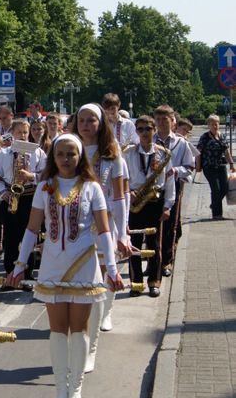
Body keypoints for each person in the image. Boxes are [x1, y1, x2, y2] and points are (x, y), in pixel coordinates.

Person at [7, 134, 123, 398]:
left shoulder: (92, 188)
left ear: (80, 156)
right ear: (53, 157)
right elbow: (32, 228)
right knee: (58, 330)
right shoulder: (45, 187)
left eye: (71, 154)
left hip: (83, 263)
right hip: (52, 265)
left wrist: (111, 267)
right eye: (60, 154)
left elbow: (104, 230)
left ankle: (76, 389)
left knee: (79, 329)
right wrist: (20, 264)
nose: (66, 159)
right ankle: (61, 389)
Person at [74, 103, 130, 369]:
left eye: (91, 120)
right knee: (83, 288)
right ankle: (82, 341)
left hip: (105, 224)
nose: (86, 125)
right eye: (81, 120)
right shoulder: (69, 150)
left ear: (100, 124)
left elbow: (120, 197)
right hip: (76, 227)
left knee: (103, 281)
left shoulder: (112, 154)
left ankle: (92, 345)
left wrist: (124, 231)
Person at [0, 119, 46, 286]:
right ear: (12, 133)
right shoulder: (4, 153)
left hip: (30, 196)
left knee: (29, 235)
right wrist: (3, 193)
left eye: (25, 132)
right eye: (19, 132)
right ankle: (10, 274)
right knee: (11, 236)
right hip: (10, 196)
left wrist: (32, 177)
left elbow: (46, 174)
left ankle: (27, 274)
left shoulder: (38, 152)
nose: (22, 135)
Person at [123, 117, 175, 298]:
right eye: (141, 129)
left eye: (148, 129)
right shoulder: (128, 153)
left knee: (155, 244)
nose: (144, 133)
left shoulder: (163, 153)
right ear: (136, 132)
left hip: (155, 203)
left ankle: (154, 281)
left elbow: (169, 182)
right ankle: (136, 284)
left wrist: (168, 206)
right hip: (134, 201)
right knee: (134, 245)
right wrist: (127, 192)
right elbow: (121, 178)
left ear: (154, 130)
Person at [153, 105, 195, 274]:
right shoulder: (150, 140)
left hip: (173, 185)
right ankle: (154, 260)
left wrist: (176, 170)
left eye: (165, 120)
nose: (162, 123)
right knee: (153, 224)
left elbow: (190, 166)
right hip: (153, 187)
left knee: (170, 224)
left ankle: (167, 261)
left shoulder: (180, 142)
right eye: (158, 119)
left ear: (172, 122)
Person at [196, 115, 234, 219]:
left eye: (217, 123)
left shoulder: (222, 136)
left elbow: (226, 151)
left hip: (221, 166)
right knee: (216, 189)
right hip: (209, 166)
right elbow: (198, 153)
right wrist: (198, 166)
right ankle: (217, 215)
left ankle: (214, 204)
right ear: (208, 125)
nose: (215, 125)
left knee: (225, 188)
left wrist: (231, 164)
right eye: (212, 124)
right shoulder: (205, 137)